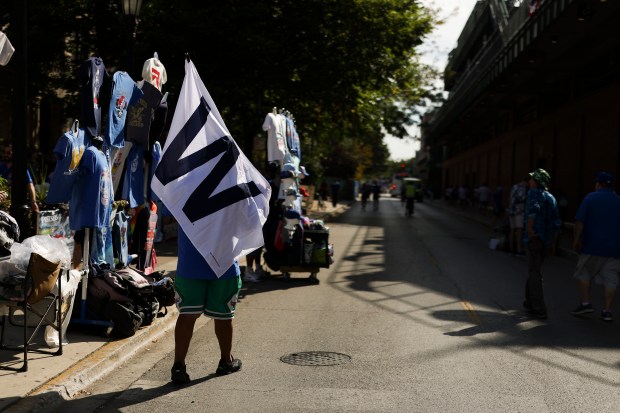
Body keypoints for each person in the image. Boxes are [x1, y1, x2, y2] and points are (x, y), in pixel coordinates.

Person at [170, 227, 243, 384]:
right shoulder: (232, 200)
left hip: (190, 265)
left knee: (187, 316)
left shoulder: (180, 199)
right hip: (224, 264)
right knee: (223, 316)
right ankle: (226, 361)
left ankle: (178, 365)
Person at [571, 171, 620, 322]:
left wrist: (576, 240)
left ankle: (586, 303)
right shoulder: (618, 200)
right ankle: (607, 311)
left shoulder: (590, 198)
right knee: (611, 278)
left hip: (592, 246)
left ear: (599, 184)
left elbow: (580, 221)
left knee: (583, 272)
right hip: (614, 249)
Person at [522, 168, 561, 319]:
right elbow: (556, 221)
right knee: (534, 270)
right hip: (545, 240)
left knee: (534, 272)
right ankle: (529, 302)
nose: (529, 181)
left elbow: (533, 211)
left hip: (534, 239)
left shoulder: (534, 193)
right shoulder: (551, 197)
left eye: (532, 179)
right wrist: (552, 243)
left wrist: (530, 229)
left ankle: (538, 308)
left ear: (537, 182)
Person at [0, 144, 39, 213]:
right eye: (4, 152)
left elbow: (30, 185)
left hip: (16, 200)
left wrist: (33, 202)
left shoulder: (21, 168)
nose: (5, 155)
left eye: (8, 153)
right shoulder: (1, 167)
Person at [508, 178, 528, 255]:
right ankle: (518, 249)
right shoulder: (522, 188)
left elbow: (510, 199)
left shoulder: (514, 187)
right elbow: (521, 198)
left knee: (512, 230)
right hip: (519, 211)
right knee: (520, 230)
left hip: (511, 210)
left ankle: (511, 248)